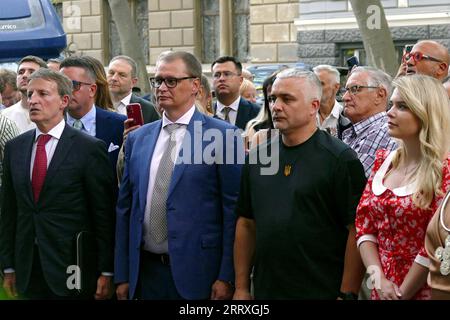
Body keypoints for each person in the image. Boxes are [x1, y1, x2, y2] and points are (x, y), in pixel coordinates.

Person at [114, 51, 243, 300]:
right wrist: (122, 273)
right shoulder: (138, 138)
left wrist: (227, 276)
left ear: (195, 85)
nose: (162, 87)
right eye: (157, 80)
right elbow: (125, 209)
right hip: (145, 273)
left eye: (171, 81)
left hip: (199, 273)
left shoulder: (224, 137)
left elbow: (233, 212)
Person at [233, 69, 367, 300]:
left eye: (287, 99)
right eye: (273, 98)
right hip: (266, 290)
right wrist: (242, 288)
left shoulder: (340, 159)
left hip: (322, 289)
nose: (275, 106)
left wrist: (347, 293)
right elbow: (246, 223)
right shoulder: (258, 157)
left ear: (313, 106)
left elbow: (357, 231)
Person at [0, 69, 115, 299]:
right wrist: (9, 266)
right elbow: (9, 211)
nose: (33, 100)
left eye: (43, 93)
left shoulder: (89, 148)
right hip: (28, 267)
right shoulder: (15, 148)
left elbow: (103, 214)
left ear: (64, 101)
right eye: (30, 93)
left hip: (74, 266)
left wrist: (107, 270)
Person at [356, 74, 450, 300]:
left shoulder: (444, 170)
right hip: (381, 290)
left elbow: (438, 242)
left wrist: (402, 293)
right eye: (392, 104)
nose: (389, 112)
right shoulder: (384, 162)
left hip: (426, 290)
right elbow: (365, 226)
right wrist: (378, 280)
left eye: (402, 106)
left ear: (425, 113)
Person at [60, 57, 126, 173]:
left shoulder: (119, 124)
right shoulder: (51, 126)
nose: (66, 91)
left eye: (73, 85)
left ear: (92, 90)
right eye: (61, 86)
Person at [342, 66, 396, 178]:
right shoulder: (355, 132)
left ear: (380, 95)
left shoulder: (383, 132)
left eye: (355, 89)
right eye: (346, 90)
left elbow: (345, 183)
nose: (345, 97)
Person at [212, 56, 260, 130]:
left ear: (240, 80)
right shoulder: (204, 112)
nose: (221, 78)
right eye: (217, 75)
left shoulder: (257, 113)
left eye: (227, 74)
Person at [107, 55, 159, 123]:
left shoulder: (148, 109)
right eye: (111, 73)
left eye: (122, 75)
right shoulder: (95, 105)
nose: (114, 78)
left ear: (133, 82)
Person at [2, 56, 47, 133]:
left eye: (32, 72)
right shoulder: (4, 116)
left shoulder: (54, 114)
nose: (25, 75)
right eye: (21, 72)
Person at [313, 65, 343, 137]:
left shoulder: (345, 116)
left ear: (336, 87)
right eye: (314, 83)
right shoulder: (305, 114)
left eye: (321, 84)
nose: (315, 87)